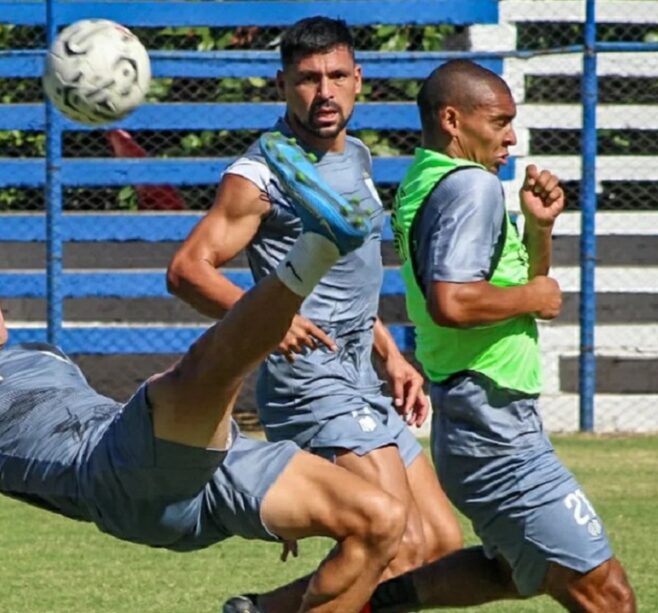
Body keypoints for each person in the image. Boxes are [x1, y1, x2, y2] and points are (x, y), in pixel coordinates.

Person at [0, 133, 410, 613]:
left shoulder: (42, 354)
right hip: (115, 474)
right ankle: (318, 245)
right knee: (198, 374)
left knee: (378, 521)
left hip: (202, 461)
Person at [166, 17, 463, 612]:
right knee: (395, 543)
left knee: (438, 546)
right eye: (306, 79)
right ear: (282, 85)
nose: (323, 91)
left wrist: (390, 356)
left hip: (359, 380)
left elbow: (347, 277)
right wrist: (266, 319)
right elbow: (187, 269)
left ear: (360, 81)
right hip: (311, 385)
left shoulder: (356, 155)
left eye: (335, 76)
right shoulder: (261, 173)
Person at [365, 60, 637, 611]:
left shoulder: (427, 177)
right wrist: (537, 297)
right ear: (453, 120)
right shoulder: (472, 187)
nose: (512, 136)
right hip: (493, 429)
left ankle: (371, 602)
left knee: (513, 572)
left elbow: (500, 290)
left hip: (475, 420)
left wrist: (538, 230)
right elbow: (453, 301)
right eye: (499, 121)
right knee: (609, 596)